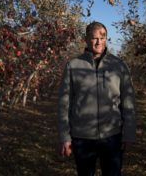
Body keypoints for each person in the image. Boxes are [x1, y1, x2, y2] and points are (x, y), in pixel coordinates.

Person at [58, 21, 136, 176]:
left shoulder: (119, 65)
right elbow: (64, 103)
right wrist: (64, 137)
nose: (98, 42)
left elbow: (128, 103)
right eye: (94, 38)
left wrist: (129, 134)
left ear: (106, 38)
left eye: (102, 37)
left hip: (112, 136)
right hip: (82, 137)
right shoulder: (73, 66)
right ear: (86, 39)